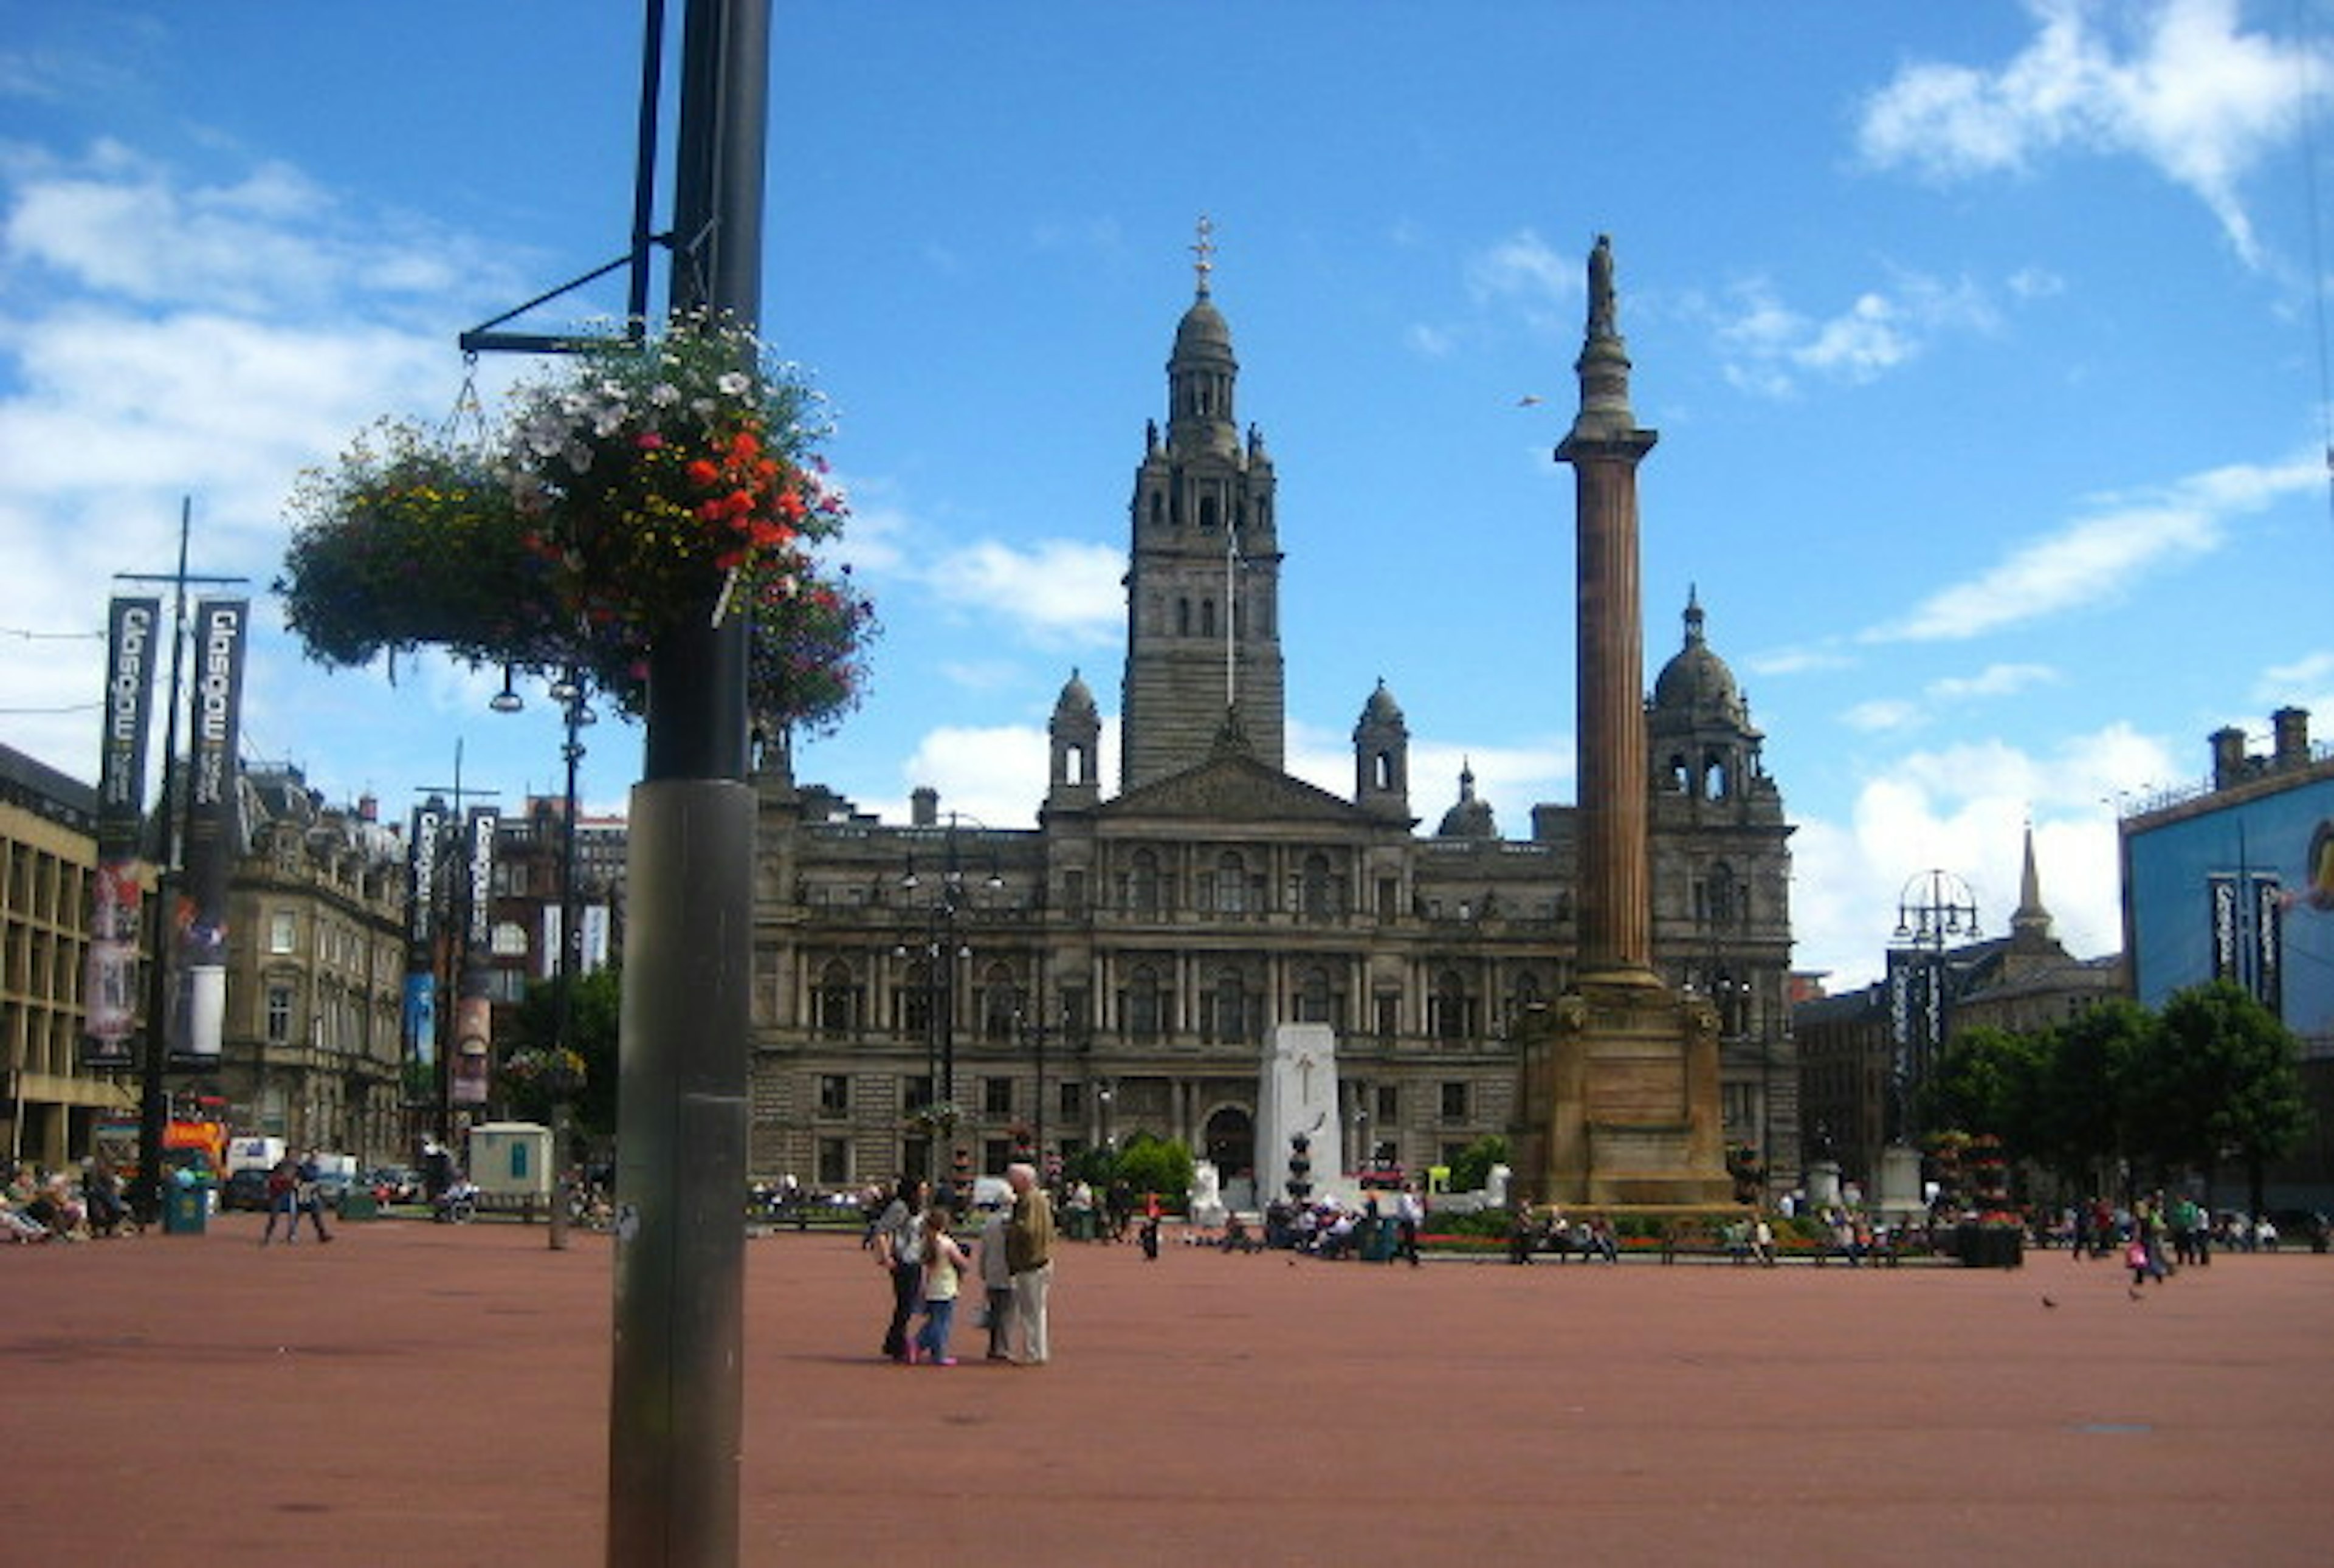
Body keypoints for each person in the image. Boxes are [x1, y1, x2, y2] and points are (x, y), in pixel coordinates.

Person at [1004, 1162, 1055, 1366]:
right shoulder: (1040, 1198)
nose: (1010, 1184)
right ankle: (1039, 1351)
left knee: (1029, 1312)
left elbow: (1029, 1231)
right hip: (1041, 1259)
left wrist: (1010, 1228)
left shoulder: (1029, 1200)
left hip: (1030, 1261)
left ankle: (1034, 1353)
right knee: (1037, 1311)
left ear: (1023, 1181)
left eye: (1013, 1179)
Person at [872, 1177, 928, 1363]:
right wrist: (886, 1256)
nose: (925, 1192)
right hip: (904, 1260)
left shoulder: (915, 1208)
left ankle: (896, 1342)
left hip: (915, 1259)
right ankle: (896, 1343)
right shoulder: (900, 1207)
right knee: (905, 1304)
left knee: (907, 1304)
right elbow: (881, 1230)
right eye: (922, 1188)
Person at [912, 1206, 973, 1367]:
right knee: (942, 1324)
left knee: (935, 1321)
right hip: (946, 1287)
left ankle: (926, 1348)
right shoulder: (946, 1243)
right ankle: (929, 1349)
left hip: (932, 1287)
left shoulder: (926, 1243)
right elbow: (962, 1263)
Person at [976, 1197, 1015, 1361]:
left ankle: (993, 1346)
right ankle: (1003, 1348)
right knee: (1007, 1313)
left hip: (992, 1270)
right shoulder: (1011, 1223)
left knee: (994, 1311)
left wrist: (982, 1268)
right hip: (1008, 1272)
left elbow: (984, 1248)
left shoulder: (989, 1221)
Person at [293, 1150, 335, 1243]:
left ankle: (322, 1235)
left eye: (317, 1156)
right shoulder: (303, 1167)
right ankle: (292, 1233)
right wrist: (298, 1188)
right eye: (314, 1156)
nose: (315, 1158)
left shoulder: (316, 1167)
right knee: (298, 1215)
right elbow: (301, 1178)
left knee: (316, 1214)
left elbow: (316, 1178)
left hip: (312, 1192)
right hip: (304, 1192)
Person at [261, 1155, 300, 1245]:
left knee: (293, 1215)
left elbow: (300, 1178)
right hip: (278, 1193)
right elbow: (271, 1178)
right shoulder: (280, 1165)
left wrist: (297, 1182)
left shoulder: (297, 1167)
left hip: (290, 1192)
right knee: (274, 1216)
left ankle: (292, 1235)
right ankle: (268, 1236)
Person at [1394, 1183, 1423, 1267]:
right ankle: (1414, 1260)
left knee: (1408, 1241)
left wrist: (1419, 1217)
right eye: (1413, 1188)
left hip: (1412, 1220)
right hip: (1408, 1220)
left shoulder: (1413, 1198)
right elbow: (1409, 1209)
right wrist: (1415, 1217)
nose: (1415, 1190)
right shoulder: (1406, 1198)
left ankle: (1396, 1254)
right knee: (1411, 1241)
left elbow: (1418, 1208)